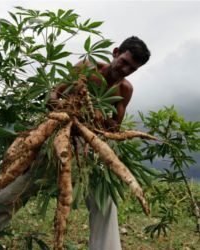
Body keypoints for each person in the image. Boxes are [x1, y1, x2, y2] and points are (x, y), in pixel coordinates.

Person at [48, 36, 151, 249]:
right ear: (115, 53)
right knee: (17, 186)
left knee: (105, 204)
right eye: (124, 61)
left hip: (90, 147)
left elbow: (115, 127)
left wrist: (99, 117)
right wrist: (69, 110)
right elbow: (53, 95)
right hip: (58, 136)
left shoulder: (125, 90)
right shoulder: (88, 68)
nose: (125, 69)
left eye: (132, 68)